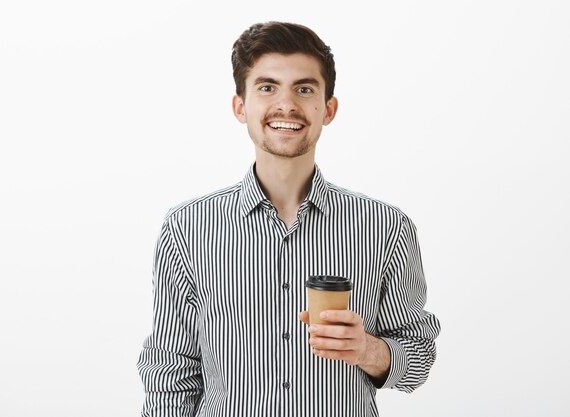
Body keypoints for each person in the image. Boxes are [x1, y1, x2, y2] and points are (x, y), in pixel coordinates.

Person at [137, 21, 440, 417]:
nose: (287, 105)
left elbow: (418, 359)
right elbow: (170, 371)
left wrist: (368, 350)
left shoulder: (385, 227)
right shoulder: (187, 228)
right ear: (240, 106)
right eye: (267, 87)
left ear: (328, 109)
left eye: (304, 88)